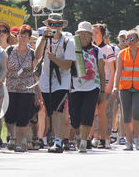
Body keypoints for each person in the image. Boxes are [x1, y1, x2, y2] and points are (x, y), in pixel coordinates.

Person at [34, 13, 75, 153]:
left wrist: (53, 58)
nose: (53, 27)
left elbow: (67, 65)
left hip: (62, 80)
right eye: (51, 24)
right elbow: (37, 55)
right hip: (46, 80)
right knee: (51, 112)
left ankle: (58, 141)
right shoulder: (43, 39)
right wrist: (44, 39)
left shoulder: (68, 41)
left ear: (61, 26)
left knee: (58, 110)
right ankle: (55, 138)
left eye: (57, 24)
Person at [112, 29, 139, 151]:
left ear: (137, 40)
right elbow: (118, 72)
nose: (128, 41)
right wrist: (115, 86)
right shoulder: (122, 54)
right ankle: (128, 142)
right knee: (126, 115)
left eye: (131, 39)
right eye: (127, 39)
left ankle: (137, 138)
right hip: (125, 88)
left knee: (136, 112)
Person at [70, 22, 105, 152]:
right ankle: (79, 136)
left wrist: (102, 91)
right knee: (74, 118)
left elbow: (101, 72)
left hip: (92, 87)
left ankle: (84, 141)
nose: (83, 36)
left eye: (86, 34)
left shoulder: (97, 51)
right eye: (81, 34)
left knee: (87, 113)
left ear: (91, 35)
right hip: (75, 87)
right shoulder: (72, 49)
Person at [4, 24, 40, 152]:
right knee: (9, 116)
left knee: (23, 117)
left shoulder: (32, 53)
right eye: (20, 35)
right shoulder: (9, 50)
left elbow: (35, 73)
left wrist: (38, 93)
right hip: (11, 88)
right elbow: (4, 68)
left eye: (25, 36)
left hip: (27, 89)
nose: (22, 38)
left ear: (29, 38)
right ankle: (13, 137)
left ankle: (20, 142)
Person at [91, 24, 116, 149]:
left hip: (105, 83)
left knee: (104, 112)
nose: (93, 35)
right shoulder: (90, 48)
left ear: (102, 34)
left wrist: (109, 87)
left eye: (96, 32)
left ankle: (105, 139)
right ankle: (95, 137)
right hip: (93, 83)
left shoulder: (108, 49)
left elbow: (112, 70)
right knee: (94, 112)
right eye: (92, 32)